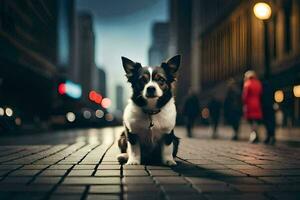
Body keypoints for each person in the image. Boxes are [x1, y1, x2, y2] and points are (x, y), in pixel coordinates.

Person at [242, 70, 263, 143]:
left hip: (249, 104)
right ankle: (256, 134)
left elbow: (245, 96)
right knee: (256, 120)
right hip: (257, 104)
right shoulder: (258, 83)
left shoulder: (247, 84)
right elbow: (260, 94)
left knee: (251, 120)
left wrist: (244, 104)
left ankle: (253, 135)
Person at [262, 80, 276, 144]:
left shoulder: (263, 89)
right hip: (270, 106)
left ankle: (269, 136)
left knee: (267, 122)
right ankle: (272, 136)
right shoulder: (271, 88)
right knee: (271, 122)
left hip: (265, 107)